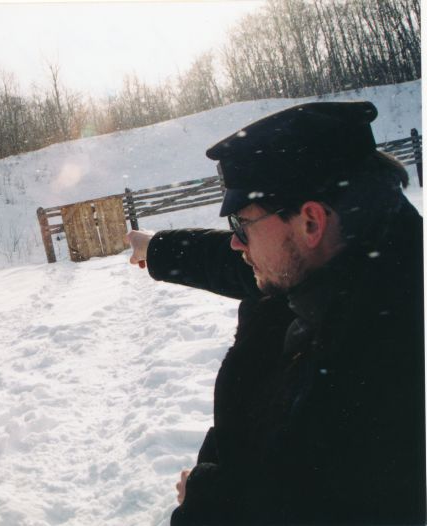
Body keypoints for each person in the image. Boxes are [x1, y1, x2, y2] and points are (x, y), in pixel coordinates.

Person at [125, 101, 425, 525]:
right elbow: (247, 261)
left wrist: (212, 503)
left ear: (310, 222)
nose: (236, 243)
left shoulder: (387, 372)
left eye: (240, 225)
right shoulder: (355, 254)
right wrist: (157, 248)